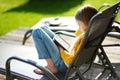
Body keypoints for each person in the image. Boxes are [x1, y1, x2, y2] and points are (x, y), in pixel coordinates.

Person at [32, 5, 98, 75]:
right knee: (43, 28)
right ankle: (53, 62)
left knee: (37, 32)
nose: (78, 27)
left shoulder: (83, 39)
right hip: (68, 55)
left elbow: (71, 61)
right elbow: (78, 37)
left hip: (63, 64)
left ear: (87, 24)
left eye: (79, 25)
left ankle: (51, 66)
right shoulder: (92, 33)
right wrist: (82, 29)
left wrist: (62, 52)